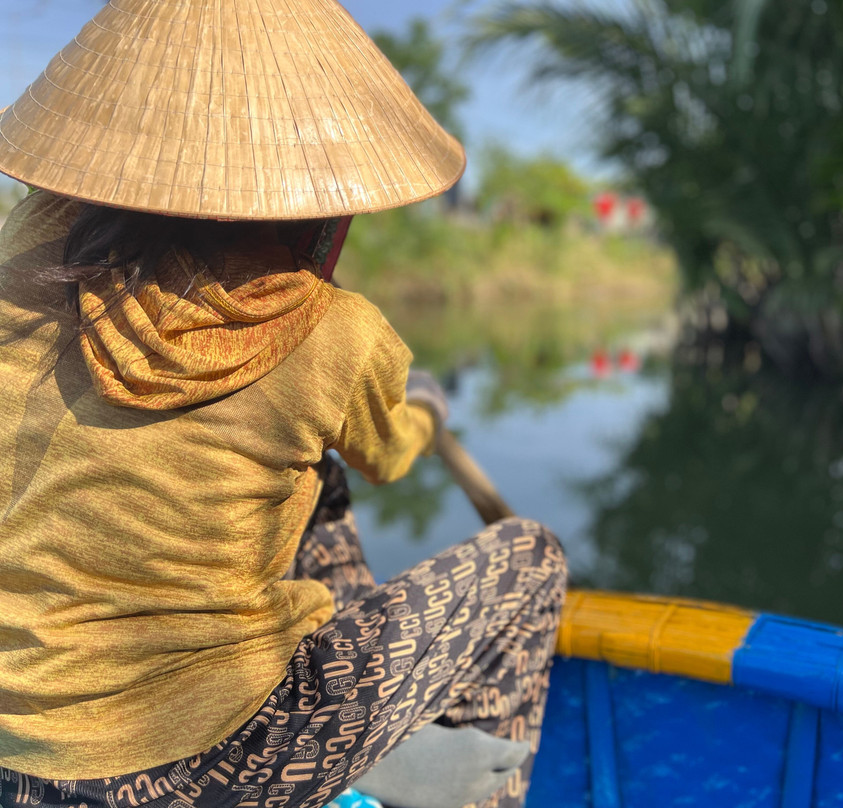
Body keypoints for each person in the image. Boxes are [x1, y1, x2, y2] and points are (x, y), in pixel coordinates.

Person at [0, 1, 568, 807]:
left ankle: (380, 746)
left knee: (313, 479)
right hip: (205, 759)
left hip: (19, 747)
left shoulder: (17, 278)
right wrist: (427, 409)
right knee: (533, 555)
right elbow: (389, 454)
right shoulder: (337, 334)